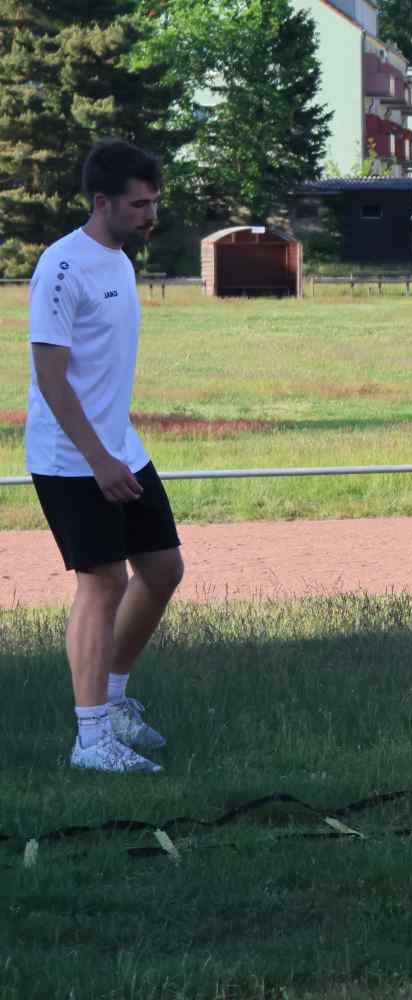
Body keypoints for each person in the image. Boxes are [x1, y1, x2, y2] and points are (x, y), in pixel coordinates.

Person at [25, 139, 183, 774]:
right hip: (71, 458)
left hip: (120, 448)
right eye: (139, 205)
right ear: (102, 203)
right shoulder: (63, 268)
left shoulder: (119, 260)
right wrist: (98, 460)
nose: (150, 215)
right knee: (104, 582)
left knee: (164, 569)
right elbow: (51, 380)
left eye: (153, 203)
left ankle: (114, 701)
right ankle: (91, 740)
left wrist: (116, 452)